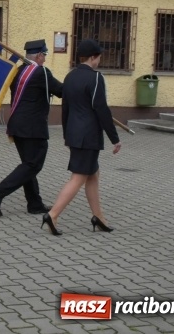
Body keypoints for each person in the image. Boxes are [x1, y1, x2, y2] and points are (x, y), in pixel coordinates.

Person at [41, 39, 122, 236]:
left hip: (75, 134)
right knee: (78, 177)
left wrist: (67, 135)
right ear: (93, 58)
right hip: (88, 135)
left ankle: (98, 216)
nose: (99, 60)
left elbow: (66, 109)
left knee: (92, 173)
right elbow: (101, 109)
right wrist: (114, 138)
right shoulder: (95, 78)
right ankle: (52, 214)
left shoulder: (70, 76)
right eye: (99, 57)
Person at [0, 39, 63, 216]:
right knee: (33, 165)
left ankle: (34, 204)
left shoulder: (19, 71)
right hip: (33, 128)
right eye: (44, 55)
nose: (45, 59)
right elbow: (61, 90)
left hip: (17, 125)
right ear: (39, 55)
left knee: (28, 165)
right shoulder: (41, 72)